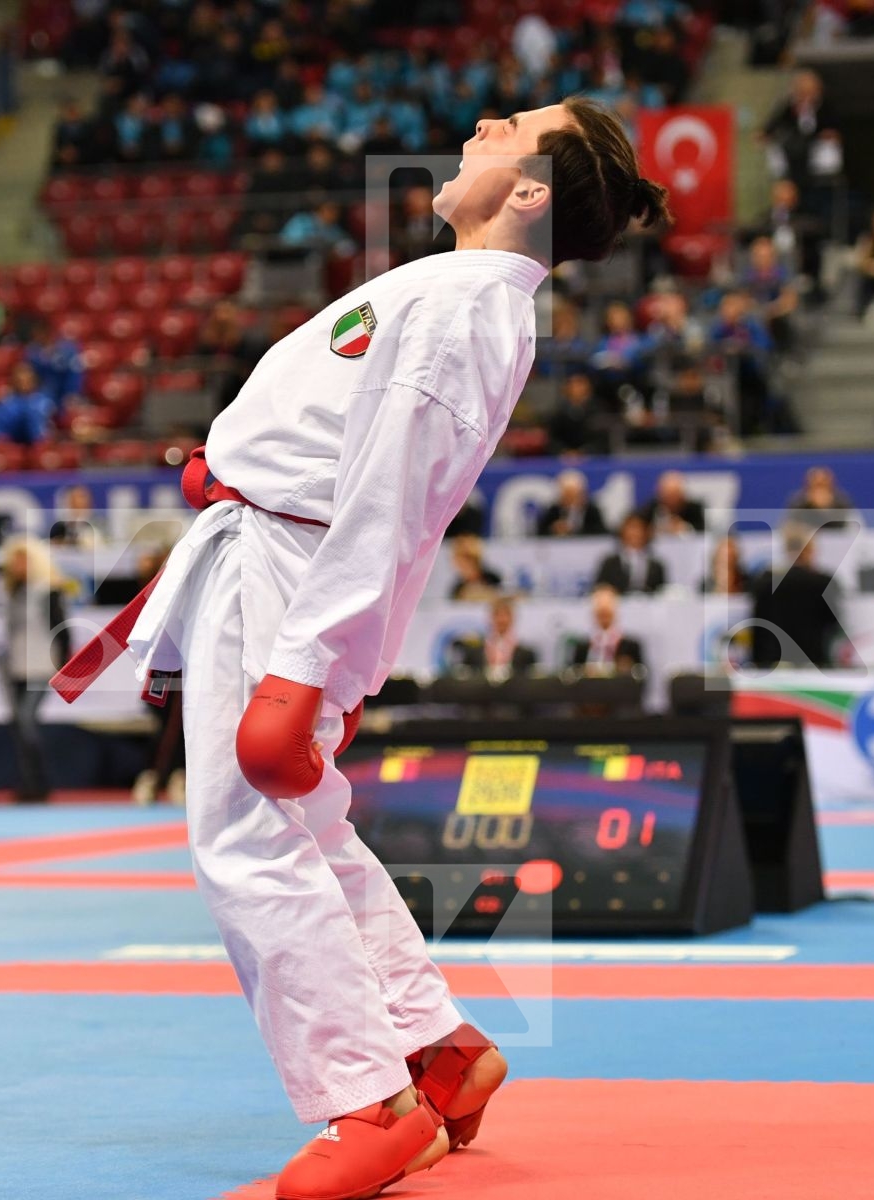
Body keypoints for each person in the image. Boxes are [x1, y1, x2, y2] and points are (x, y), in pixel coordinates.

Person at [73, 96, 670, 1197]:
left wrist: (300, 672)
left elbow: (390, 504)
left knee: (247, 842)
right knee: (302, 826)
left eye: (513, 126)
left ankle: (370, 1101)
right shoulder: (459, 293)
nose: (485, 118)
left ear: (532, 192)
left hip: (298, 576)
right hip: (281, 554)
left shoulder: (466, 306)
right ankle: (438, 1052)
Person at [0, 538, 71, 803]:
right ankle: (27, 782)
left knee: (26, 721)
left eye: (23, 560)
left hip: (42, 665)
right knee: (19, 726)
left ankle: (41, 781)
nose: (18, 566)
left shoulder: (47, 591)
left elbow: (61, 628)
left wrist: (65, 664)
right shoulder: (13, 592)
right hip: (17, 667)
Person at [747, 527, 842, 668]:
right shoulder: (824, 582)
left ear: (786, 549)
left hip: (771, 663)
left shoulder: (764, 583)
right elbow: (833, 622)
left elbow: (756, 623)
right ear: (810, 551)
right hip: (813, 662)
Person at [452, 595, 538, 675]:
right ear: (490, 618)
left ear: (512, 618)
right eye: (497, 615)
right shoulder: (475, 650)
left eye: (506, 615)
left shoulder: (526, 652)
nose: (501, 620)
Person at [569, 583, 645, 673]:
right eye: (601, 613)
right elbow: (572, 676)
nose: (604, 614)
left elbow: (641, 675)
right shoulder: (582, 647)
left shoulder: (630, 646)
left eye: (607, 612)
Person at [594, 512, 667, 594]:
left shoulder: (656, 566)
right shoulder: (610, 563)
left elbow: (662, 593)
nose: (635, 533)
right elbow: (599, 589)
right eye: (631, 528)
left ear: (647, 532)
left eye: (639, 528)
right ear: (622, 531)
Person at [0, 364, 57, 446]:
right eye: (20, 380)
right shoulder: (7, 400)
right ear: (14, 381)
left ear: (34, 380)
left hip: (39, 441)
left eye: (27, 380)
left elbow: (53, 420)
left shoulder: (45, 398)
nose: (24, 383)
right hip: (11, 442)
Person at [535, 468, 606, 536]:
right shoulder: (553, 510)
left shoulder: (591, 511)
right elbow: (539, 531)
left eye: (573, 496)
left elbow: (601, 532)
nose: (570, 501)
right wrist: (553, 530)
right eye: (567, 496)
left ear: (582, 494)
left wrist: (575, 531)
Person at [638, 470, 706, 534]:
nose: (672, 501)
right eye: (668, 496)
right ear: (660, 495)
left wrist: (686, 528)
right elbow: (641, 527)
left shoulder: (694, 509)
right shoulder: (651, 509)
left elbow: (704, 529)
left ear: (682, 495)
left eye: (675, 496)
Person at [785, 466, 854, 526]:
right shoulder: (798, 502)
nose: (820, 491)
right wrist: (809, 504)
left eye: (823, 485)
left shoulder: (842, 502)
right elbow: (790, 528)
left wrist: (828, 508)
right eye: (816, 485)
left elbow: (852, 528)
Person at [447, 534, 503, 601]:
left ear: (474, 559)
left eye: (465, 560)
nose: (462, 566)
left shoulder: (493, 579)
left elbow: (503, 597)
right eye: (459, 562)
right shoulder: (458, 588)